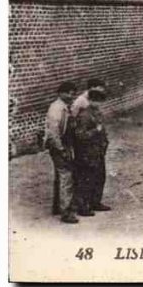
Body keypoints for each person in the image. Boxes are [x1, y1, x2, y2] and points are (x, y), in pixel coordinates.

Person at [45, 81, 78, 224]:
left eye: (73, 93)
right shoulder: (56, 108)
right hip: (59, 146)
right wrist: (61, 149)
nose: (71, 95)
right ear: (60, 93)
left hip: (64, 144)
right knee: (66, 176)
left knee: (61, 175)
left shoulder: (64, 107)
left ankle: (58, 206)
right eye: (69, 92)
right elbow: (53, 133)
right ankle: (66, 212)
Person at [73, 89, 111, 215]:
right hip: (87, 152)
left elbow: (102, 130)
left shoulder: (97, 113)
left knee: (99, 177)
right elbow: (80, 135)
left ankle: (95, 202)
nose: (99, 104)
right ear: (91, 100)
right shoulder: (84, 115)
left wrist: (105, 143)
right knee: (87, 179)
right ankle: (83, 207)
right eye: (97, 101)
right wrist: (96, 130)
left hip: (98, 151)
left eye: (100, 102)